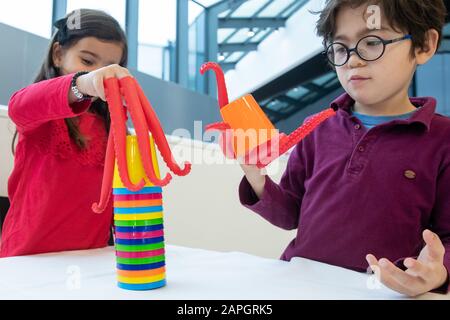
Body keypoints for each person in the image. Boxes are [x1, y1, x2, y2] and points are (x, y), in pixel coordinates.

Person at [238, 0, 449, 296]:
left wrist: (437, 273)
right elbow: (290, 215)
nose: (352, 61)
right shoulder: (316, 127)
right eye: (340, 48)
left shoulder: (443, 140)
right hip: (299, 286)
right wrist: (257, 180)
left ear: (424, 45)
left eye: (372, 42)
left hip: (382, 293)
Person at [0, 9, 134, 257]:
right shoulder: (42, 114)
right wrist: (83, 83)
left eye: (109, 67)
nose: (99, 74)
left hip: (91, 261)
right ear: (58, 54)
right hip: (27, 260)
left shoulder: (113, 127)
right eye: (87, 61)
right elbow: (20, 105)